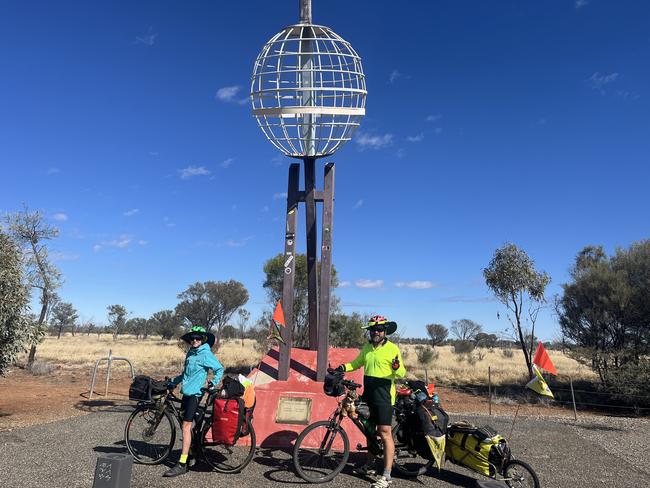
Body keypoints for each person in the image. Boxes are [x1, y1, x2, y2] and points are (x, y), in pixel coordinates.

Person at [334, 315, 405, 488]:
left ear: (385, 331)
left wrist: (396, 367)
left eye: (379, 329)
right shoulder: (367, 347)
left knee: (384, 432)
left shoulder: (392, 349)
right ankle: (370, 465)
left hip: (384, 396)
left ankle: (386, 476)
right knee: (369, 430)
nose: (376, 332)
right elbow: (357, 363)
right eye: (373, 329)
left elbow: (401, 373)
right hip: (369, 394)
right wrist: (342, 367)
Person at [163, 325, 224, 477]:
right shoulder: (190, 353)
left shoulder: (206, 354)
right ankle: (194, 453)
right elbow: (185, 375)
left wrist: (212, 383)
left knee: (185, 427)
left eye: (198, 338)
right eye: (192, 338)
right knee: (190, 428)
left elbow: (219, 369)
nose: (194, 340)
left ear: (203, 340)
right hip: (186, 393)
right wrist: (173, 381)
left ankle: (182, 463)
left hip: (196, 394)